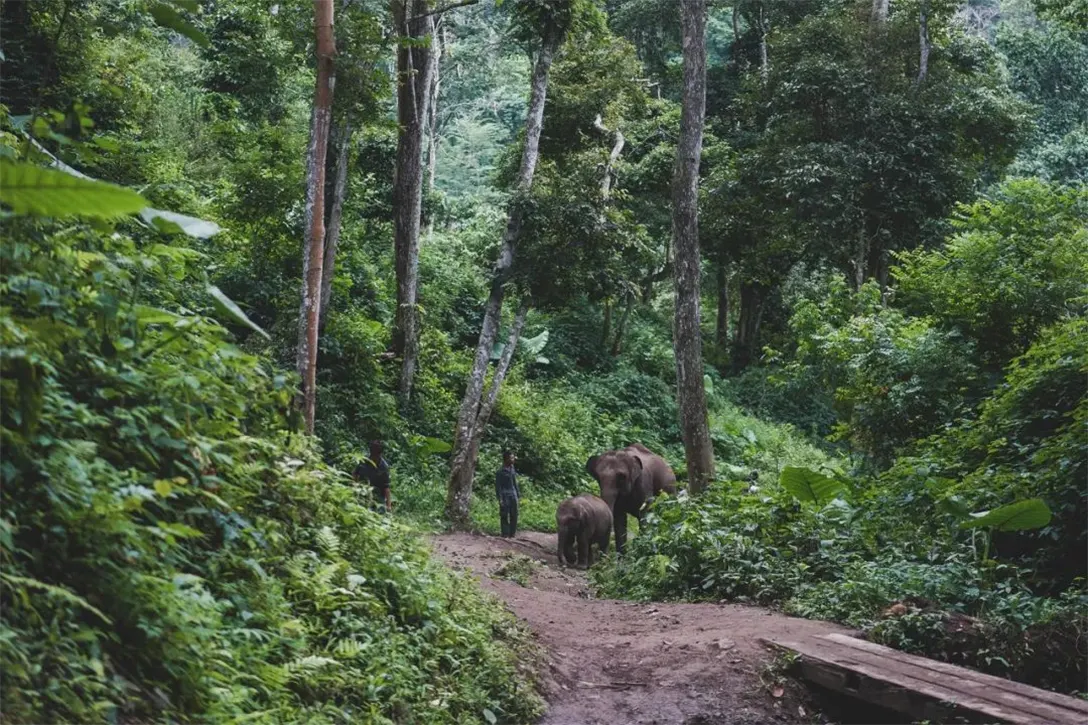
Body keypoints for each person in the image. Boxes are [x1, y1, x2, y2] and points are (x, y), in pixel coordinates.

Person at [354, 440, 392, 514]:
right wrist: (355, 486)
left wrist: (389, 506)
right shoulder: (363, 461)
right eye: (372, 455)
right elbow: (355, 474)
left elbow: (386, 487)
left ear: (380, 454)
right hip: (363, 492)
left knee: (381, 513)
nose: (373, 458)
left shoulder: (383, 467)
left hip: (378, 495)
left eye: (376, 456)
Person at [495, 450, 520, 538]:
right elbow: (498, 487)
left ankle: (512, 534)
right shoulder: (500, 472)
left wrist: (518, 494)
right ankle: (505, 533)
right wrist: (500, 499)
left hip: (513, 495)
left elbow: (515, 482)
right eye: (511, 458)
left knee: (514, 514)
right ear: (506, 459)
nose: (513, 459)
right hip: (505, 495)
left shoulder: (512, 469)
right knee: (504, 515)